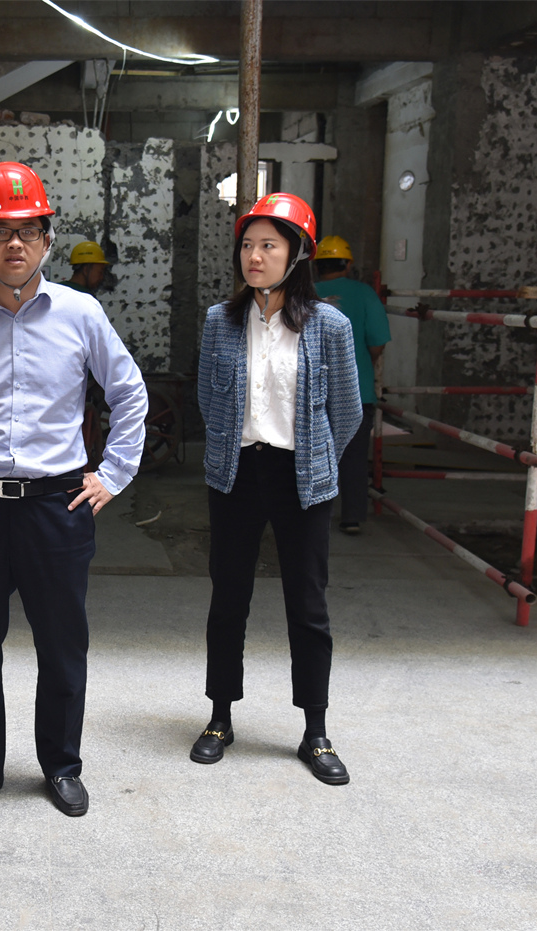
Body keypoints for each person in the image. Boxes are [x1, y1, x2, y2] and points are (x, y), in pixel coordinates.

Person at [0, 161, 148, 818]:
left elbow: (129, 392)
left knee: (62, 644)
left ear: (47, 238)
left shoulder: (81, 313)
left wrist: (114, 473)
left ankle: (61, 765)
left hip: (56, 504)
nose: (13, 244)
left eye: (27, 231)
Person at [192, 193, 362, 785]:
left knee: (307, 606)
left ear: (298, 254)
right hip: (237, 473)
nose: (254, 257)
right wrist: (232, 446)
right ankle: (220, 718)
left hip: (301, 478)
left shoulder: (330, 326)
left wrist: (315, 459)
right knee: (228, 598)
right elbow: (209, 400)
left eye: (268, 245)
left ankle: (315, 730)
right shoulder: (221, 320)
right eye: (247, 245)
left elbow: (346, 411)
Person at [313, 235, 391, 535]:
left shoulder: (304, 294)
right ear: (347, 264)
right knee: (354, 456)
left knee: (309, 454)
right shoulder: (364, 294)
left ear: (317, 266)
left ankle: (309, 516)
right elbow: (377, 343)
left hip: (311, 389)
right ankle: (352, 517)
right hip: (356, 389)